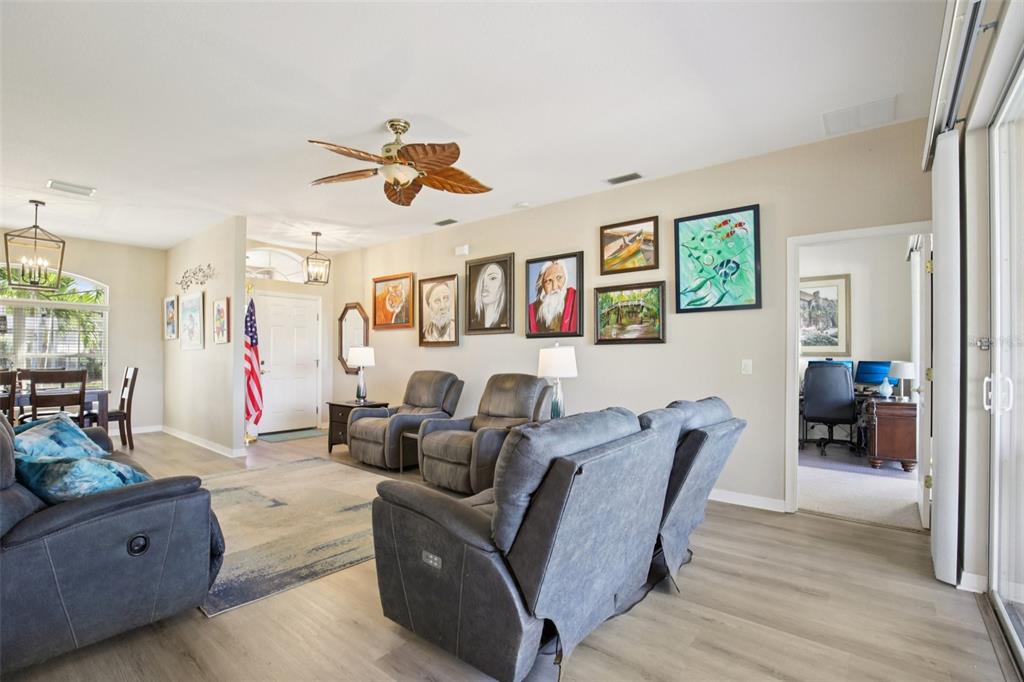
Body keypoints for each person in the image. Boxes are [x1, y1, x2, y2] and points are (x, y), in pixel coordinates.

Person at [528, 259, 577, 334]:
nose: (554, 287)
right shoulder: (531, 311)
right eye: (549, 281)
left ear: (565, 279)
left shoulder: (576, 299)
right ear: (542, 285)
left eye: (559, 278)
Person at [472, 262, 507, 329]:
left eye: (492, 278)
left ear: (501, 285)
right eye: (482, 280)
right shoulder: (474, 324)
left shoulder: (505, 322)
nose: (484, 284)